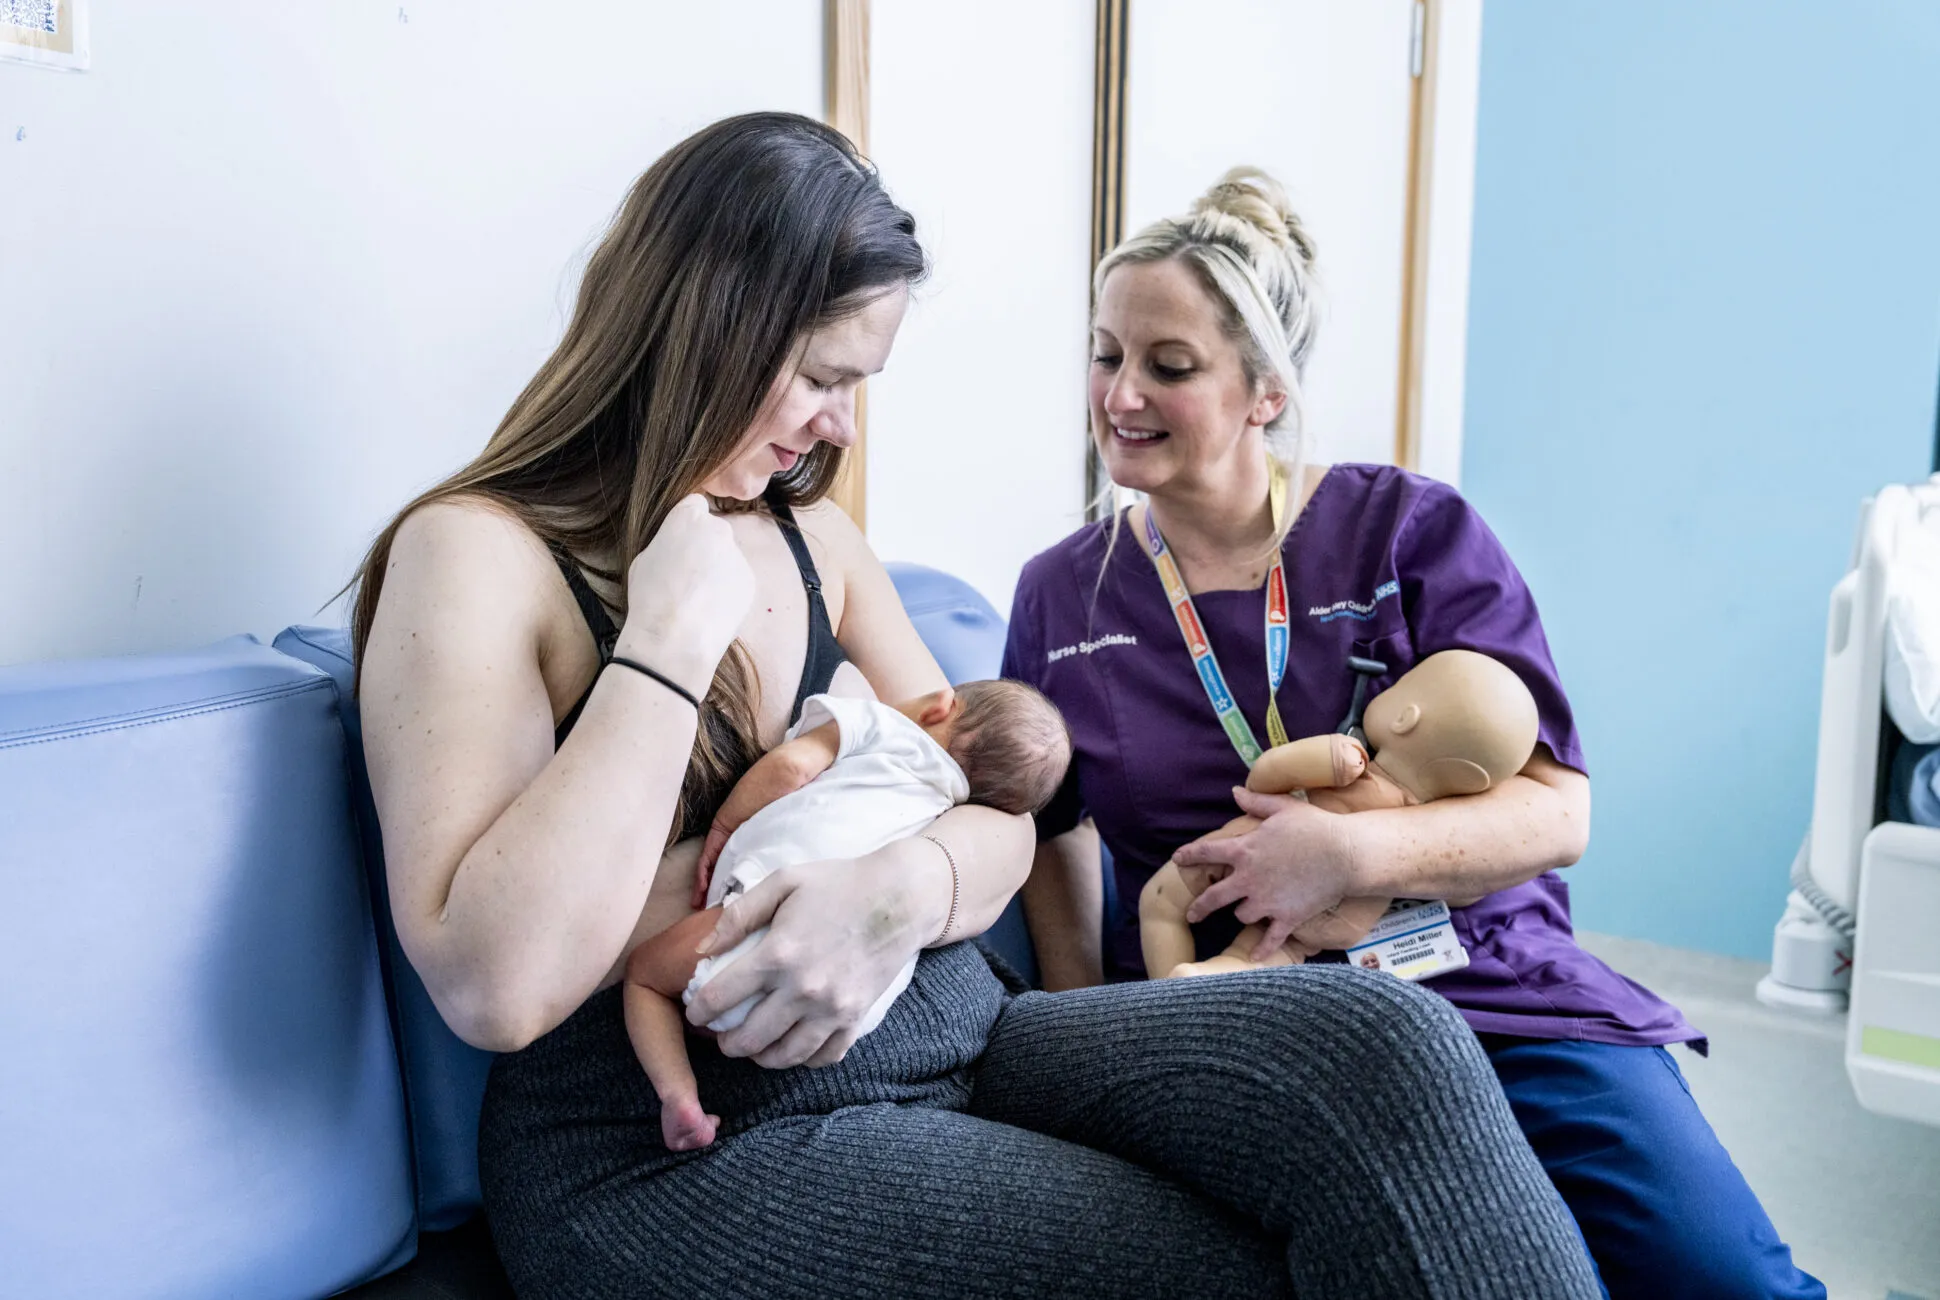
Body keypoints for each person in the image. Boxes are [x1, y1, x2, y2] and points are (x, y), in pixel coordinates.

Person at [353, 113, 1600, 1299]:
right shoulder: (476, 556)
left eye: (858, 383)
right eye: (818, 377)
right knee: (1237, 1267)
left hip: (962, 1032)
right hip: (669, 1135)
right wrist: (669, 639)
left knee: (1391, 1049)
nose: (833, 428)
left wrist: (901, 890)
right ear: (707, 328)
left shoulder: (813, 540)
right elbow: (500, 981)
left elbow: (1011, 800)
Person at [1004, 165, 1825, 1300]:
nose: (1119, 394)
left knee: (1717, 1279)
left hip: (1480, 979)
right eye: (1105, 354)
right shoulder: (1063, 593)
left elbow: (1556, 807)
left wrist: (1344, 857)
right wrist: (1083, 1038)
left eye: (1168, 366)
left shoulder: (1406, 530)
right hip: (1237, 1020)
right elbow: (1053, 833)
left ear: (1264, 393)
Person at [622, 680, 1072, 1151]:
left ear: (940, 704)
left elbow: (792, 766)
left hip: (757, 920)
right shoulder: (945, 809)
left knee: (646, 979)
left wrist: (724, 825)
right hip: (839, 1016)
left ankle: (680, 1098)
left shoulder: (879, 725)